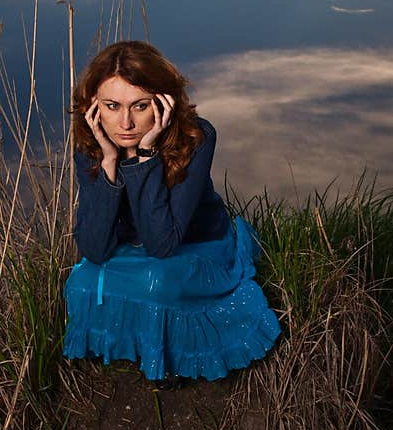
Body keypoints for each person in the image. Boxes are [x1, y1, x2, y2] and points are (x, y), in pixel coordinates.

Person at [62, 40, 280, 388]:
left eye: (140, 106)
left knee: (156, 280)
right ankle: (136, 342)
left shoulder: (197, 136)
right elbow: (94, 248)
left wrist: (145, 156)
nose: (126, 122)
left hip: (195, 245)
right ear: (94, 108)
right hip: (131, 249)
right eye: (112, 106)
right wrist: (108, 163)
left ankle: (174, 354)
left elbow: (162, 242)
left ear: (163, 104)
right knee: (83, 281)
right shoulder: (93, 147)